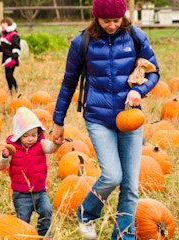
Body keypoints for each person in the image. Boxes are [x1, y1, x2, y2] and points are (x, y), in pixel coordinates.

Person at [51, 0, 159, 239]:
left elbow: (155, 71)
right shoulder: (82, 42)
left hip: (130, 117)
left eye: (116, 20)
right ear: (96, 18)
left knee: (130, 187)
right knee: (112, 175)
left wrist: (138, 91)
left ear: (123, 16)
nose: (112, 25)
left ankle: (123, 236)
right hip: (98, 118)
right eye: (106, 21)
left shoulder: (134, 36)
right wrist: (58, 121)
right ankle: (86, 214)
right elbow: (68, 84)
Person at [0, 107, 61, 239]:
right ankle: (24, 236)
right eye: (25, 136)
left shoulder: (40, 143)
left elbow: (50, 148)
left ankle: (44, 234)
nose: (31, 139)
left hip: (40, 191)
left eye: (34, 134)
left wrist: (56, 144)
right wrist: (4, 157)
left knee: (47, 210)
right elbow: (0, 167)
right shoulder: (11, 148)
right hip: (21, 194)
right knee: (23, 219)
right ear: (18, 135)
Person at [0, 17, 21, 95]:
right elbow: (3, 48)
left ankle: (16, 88)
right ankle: (10, 90)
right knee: (6, 76)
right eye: (2, 23)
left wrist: (14, 57)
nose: (3, 25)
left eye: (4, 23)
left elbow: (16, 47)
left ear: (9, 24)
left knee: (10, 75)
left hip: (12, 58)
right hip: (6, 58)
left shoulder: (14, 35)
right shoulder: (4, 35)